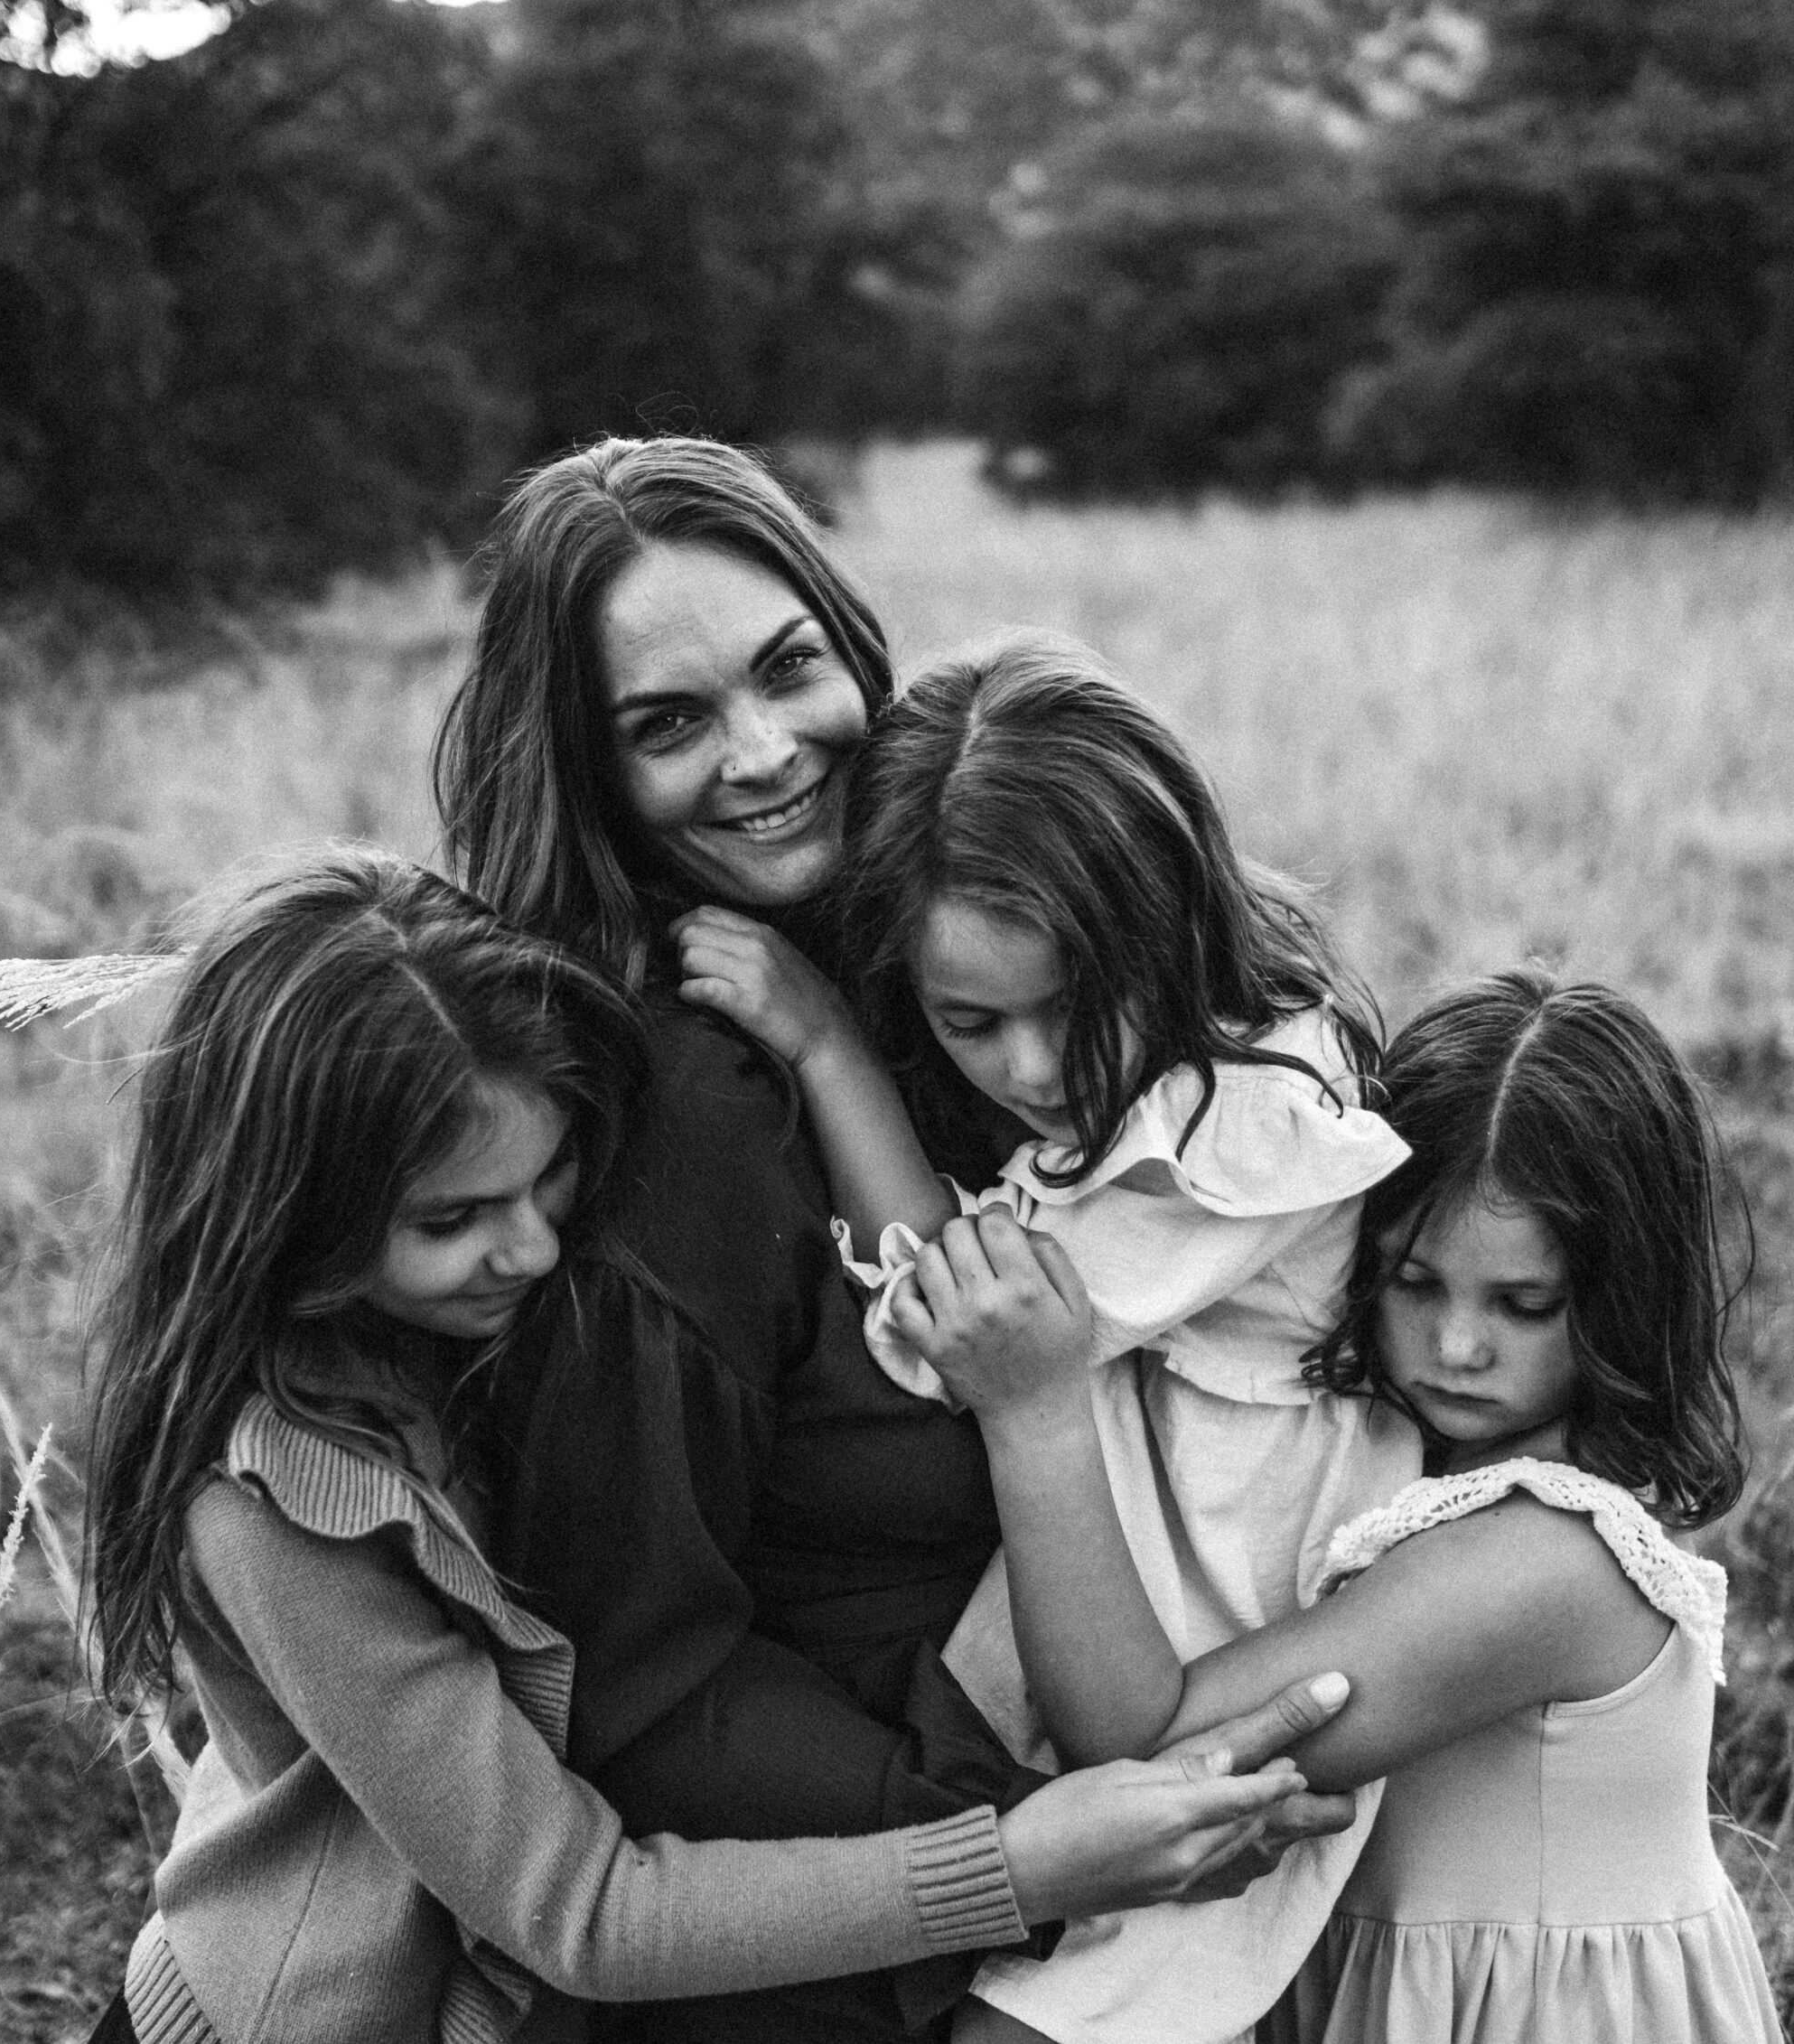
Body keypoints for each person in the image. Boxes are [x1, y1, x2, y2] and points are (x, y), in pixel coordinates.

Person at [79, 845, 1363, 2044]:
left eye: (549, 1179)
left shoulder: (447, 1323)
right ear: (288, 1213)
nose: (530, 1247)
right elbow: (576, 1907)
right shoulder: (273, 1506)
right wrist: (1024, 1861)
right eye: (455, 1216)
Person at [433, 439, 1359, 2043]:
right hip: (850, 1923)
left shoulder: (961, 946)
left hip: (1108, 1801)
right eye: (666, 725)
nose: (766, 752)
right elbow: (633, 1674)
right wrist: (1004, 1835)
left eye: (789, 666)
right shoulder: (682, 1116)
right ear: (585, 773)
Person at [674, 632, 1422, 2042]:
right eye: (969, 1021)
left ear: (1170, 916)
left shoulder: (1235, 1123)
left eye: (1072, 1005)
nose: (1031, 1070)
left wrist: (828, 1047)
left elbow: (944, 1324)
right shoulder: (1177, 1072)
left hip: (1218, 1632)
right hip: (1095, 1621)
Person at [892, 971, 1783, 2044]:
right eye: (1413, 1282)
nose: (1456, 1346)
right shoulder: (1408, 1468)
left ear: (1628, 1294)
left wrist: (1036, 1412)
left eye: (1523, 1304)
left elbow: (1144, 1748)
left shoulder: (1543, 1560)